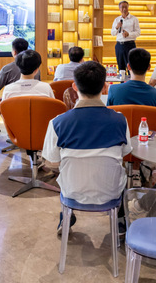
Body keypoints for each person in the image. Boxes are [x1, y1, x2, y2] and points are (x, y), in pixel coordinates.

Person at [42, 61, 132, 233]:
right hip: (111, 193)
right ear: (105, 87)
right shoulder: (120, 120)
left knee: (64, 173)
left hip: (72, 193)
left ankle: (66, 218)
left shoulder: (57, 122)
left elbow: (52, 160)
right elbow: (125, 152)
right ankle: (120, 222)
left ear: (74, 87)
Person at [111, 1, 141, 73]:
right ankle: (122, 80)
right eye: (122, 7)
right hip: (119, 45)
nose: (124, 9)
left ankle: (131, 79)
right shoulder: (117, 19)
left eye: (125, 7)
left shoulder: (134, 19)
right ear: (119, 8)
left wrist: (129, 34)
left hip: (130, 45)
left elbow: (138, 33)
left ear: (128, 7)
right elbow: (112, 33)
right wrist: (117, 27)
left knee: (131, 67)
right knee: (121, 68)